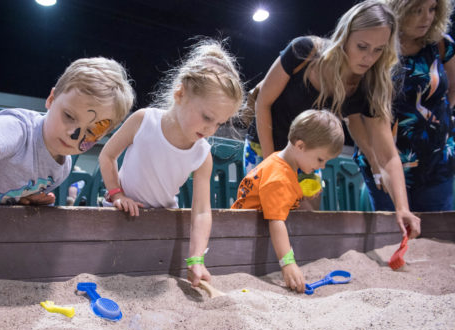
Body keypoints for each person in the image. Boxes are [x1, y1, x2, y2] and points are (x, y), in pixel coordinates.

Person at [0, 57, 135, 278]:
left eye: (91, 131)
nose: (73, 133)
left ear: (104, 135)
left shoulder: (62, 166)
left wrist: (19, 196)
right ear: (51, 98)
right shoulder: (16, 129)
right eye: (68, 116)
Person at [246, 0, 421, 238]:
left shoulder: (369, 86)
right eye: (362, 46)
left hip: (310, 156)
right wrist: (271, 166)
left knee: (305, 223)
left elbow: (388, 154)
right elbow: (263, 102)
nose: (368, 58)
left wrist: (402, 208)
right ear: (345, 36)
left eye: (378, 50)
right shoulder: (304, 51)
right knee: (264, 219)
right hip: (264, 145)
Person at [98, 38, 244, 287]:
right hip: (117, 213)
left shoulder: (202, 154)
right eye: (207, 117)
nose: (211, 129)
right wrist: (117, 194)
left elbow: (201, 211)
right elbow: (107, 156)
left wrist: (197, 258)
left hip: (161, 221)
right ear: (180, 94)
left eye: (219, 123)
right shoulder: (144, 121)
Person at [355, 0, 455, 211]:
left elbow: (453, 88)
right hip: (384, 162)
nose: (427, 17)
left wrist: (437, 123)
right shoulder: (376, 47)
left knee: (439, 236)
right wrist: (374, 162)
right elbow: (353, 112)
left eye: (432, 9)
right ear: (398, 11)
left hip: (436, 164)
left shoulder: (441, 45)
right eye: (417, 10)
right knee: (393, 234)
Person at [232, 109, 345, 293]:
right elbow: (276, 221)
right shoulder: (278, 177)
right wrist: (288, 264)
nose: (322, 166)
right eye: (320, 159)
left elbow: (279, 201)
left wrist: (300, 193)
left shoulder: (283, 165)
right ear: (300, 146)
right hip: (242, 239)